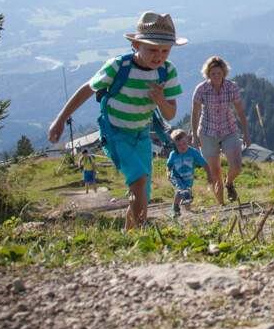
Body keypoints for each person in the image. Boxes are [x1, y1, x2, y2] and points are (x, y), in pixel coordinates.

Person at [48, 12, 185, 231]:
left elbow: (170, 115)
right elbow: (86, 89)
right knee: (138, 179)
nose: (159, 56)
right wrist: (60, 120)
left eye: (165, 50)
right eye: (152, 49)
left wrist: (160, 100)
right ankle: (141, 235)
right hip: (115, 134)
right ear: (135, 45)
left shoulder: (167, 71)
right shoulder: (119, 66)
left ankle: (128, 233)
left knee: (141, 192)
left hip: (141, 136)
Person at [191, 56, 251, 205]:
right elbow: (194, 113)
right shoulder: (201, 89)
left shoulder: (232, 87)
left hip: (228, 130)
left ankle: (229, 182)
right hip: (207, 132)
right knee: (214, 172)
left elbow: (240, 111)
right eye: (213, 74)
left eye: (219, 73)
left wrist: (246, 133)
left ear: (224, 73)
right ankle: (221, 205)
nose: (216, 76)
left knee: (236, 166)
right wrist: (194, 136)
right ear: (208, 74)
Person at [166, 129, 207, 216]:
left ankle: (189, 210)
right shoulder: (173, 154)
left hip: (188, 177)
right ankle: (175, 208)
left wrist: (209, 174)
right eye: (178, 145)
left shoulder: (193, 152)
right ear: (174, 145)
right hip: (176, 176)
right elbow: (169, 165)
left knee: (187, 193)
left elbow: (203, 162)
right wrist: (168, 172)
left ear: (187, 140)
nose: (182, 147)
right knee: (181, 188)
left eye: (184, 143)